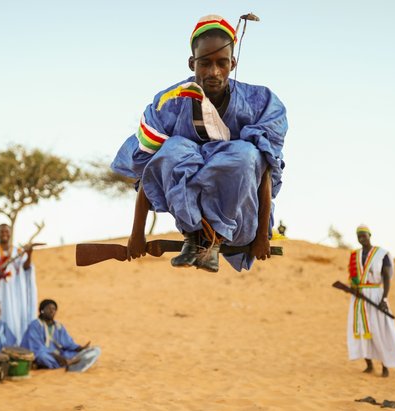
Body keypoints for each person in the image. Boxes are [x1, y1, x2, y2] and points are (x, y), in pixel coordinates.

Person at [111, 14, 287, 273]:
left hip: (240, 221)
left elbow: (266, 169)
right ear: (192, 62)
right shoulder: (168, 103)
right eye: (204, 64)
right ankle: (195, 238)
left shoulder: (260, 102)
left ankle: (217, 236)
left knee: (247, 153)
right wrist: (137, 233)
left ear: (233, 62)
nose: (214, 73)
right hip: (189, 220)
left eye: (222, 63)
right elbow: (148, 171)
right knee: (173, 149)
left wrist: (263, 235)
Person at [347, 225, 395, 377]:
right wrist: (353, 288)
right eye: (358, 235)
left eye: (364, 235)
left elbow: (386, 277)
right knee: (362, 330)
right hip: (359, 297)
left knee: (380, 329)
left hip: (376, 294)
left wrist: (384, 298)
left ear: (370, 235)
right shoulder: (355, 254)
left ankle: (385, 366)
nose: (361, 238)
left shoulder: (382, 254)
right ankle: (369, 365)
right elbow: (353, 276)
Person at [21, 299, 96, 370]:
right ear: (42, 311)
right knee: (42, 357)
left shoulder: (59, 326)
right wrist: (55, 356)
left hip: (59, 354)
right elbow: (36, 347)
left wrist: (80, 348)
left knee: (95, 350)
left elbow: (68, 343)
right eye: (49, 308)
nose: (52, 311)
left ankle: (65, 362)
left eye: (54, 309)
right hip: (41, 353)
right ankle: (66, 363)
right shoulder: (35, 325)